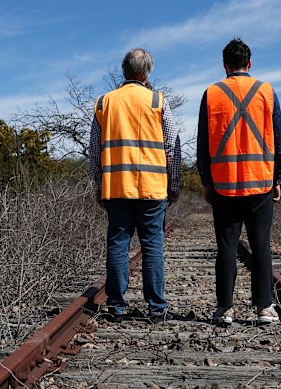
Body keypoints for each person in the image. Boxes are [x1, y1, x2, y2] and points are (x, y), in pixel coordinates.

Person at [197, 38, 281, 325]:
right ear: (249, 63)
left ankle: (225, 309)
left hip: (224, 185)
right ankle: (264, 308)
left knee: (226, 247)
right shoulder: (266, 91)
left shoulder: (211, 93)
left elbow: (202, 144)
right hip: (260, 182)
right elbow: (279, 142)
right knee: (260, 246)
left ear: (224, 65)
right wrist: (277, 179)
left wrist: (207, 182)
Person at [89, 48, 181, 323]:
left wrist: (98, 184)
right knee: (152, 245)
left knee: (118, 245)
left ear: (124, 70)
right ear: (146, 72)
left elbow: (95, 150)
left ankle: (116, 307)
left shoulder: (105, 102)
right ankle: (157, 309)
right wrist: (174, 183)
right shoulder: (157, 101)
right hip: (152, 187)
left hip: (116, 186)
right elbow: (171, 147)